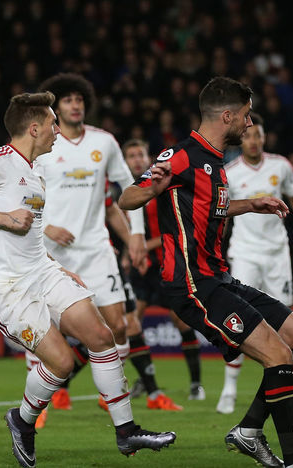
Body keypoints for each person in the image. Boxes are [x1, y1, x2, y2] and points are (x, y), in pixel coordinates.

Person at [0, 92, 175, 468]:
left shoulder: (37, 170)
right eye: (52, 124)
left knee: (102, 335)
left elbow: (29, 233)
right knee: (62, 364)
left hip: (43, 272)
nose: (57, 132)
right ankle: (22, 420)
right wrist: (3, 218)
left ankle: (127, 431)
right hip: (7, 286)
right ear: (34, 127)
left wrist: (51, 263)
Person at [119, 77, 293, 468]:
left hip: (219, 277)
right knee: (277, 354)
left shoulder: (217, 164)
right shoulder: (180, 155)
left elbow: (210, 208)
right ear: (226, 115)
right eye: (245, 116)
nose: (248, 125)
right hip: (191, 283)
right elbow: (128, 197)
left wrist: (251, 204)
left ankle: (248, 431)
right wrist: (150, 187)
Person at [31, 73, 184, 411]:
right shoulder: (43, 147)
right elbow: (27, 198)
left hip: (97, 249)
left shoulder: (104, 142)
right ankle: (37, 406)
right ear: (56, 107)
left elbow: (132, 187)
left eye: (79, 99)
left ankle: (110, 396)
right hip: (54, 254)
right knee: (48, 331)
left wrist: (138, 237)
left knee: (118, 325)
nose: (75, 105)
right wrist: (45, 230)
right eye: (68, 100)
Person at [218, 114, 293, 415]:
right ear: (241, 139)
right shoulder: (230, 172)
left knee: (284, 321)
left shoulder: (281, 166)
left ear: (264, 137)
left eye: (258, 135)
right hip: (245, 253)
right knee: (239, 320)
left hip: (277, 255)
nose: (253, 140)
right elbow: (220, 214)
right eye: (248, 136)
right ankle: (230, 387)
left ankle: (276, 383)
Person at [120, 138, 204, 402]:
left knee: (180, 321)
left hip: (167, 261)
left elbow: (174, 227)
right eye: (130, 155)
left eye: (139, 154)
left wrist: (144, 246)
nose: (135, 159)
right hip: (141, 266)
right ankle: (143, 382)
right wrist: (129, 253)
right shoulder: (127, 192)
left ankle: (196, 384)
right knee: (129, 323)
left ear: (148, 157)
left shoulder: (161, 185)